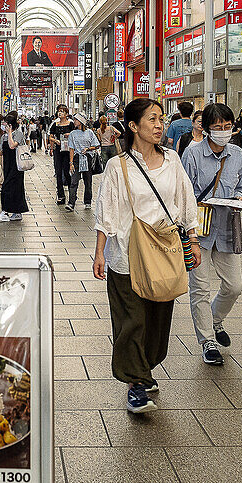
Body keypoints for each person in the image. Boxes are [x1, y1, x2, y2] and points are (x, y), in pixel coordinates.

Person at [92, 97, 201, 413]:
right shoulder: (118, 165)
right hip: (127, 255)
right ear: (133, 126)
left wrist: (192, 238)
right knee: (132, 321)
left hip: (165, 251)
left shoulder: (172, 161)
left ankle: (144, 366)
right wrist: (100, 252)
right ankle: (136, 383)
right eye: (152, 119)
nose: (158, 125)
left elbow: (185, 199)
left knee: (157, 321)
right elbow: (106, 211)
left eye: (161, 119)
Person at [182, 103, 242, 366]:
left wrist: (240, 196)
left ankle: (215, 319)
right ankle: (207, 340)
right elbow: (185, 193)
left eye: (227, 127)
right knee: (199, 286)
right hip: (198, 228)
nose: (223, 131)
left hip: (227, 227)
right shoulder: (193, 154)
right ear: (206, 129)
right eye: (217, 127)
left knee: (234, 285)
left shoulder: (237, 154)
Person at [0, 111, 29, 222]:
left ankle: (5, 211)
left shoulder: (17, 134)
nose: (2, 126)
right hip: (7, 166)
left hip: (17, 165)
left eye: (4, 124)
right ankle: (17, 212)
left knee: (9, 187)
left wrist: (9, 133)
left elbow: (12, 145)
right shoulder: (3, 136)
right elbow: (1, 152)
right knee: (13, 188)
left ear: (10, 125)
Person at [66, 113, 100, 210]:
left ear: (81, 122)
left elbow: (96, 145)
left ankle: (88, 201)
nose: (74, 121)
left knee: (88, 181)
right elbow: (71, 149)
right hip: (76, 158)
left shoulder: (89, 132)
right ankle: (71, 203)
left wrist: (88, 148)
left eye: (76, 120)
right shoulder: (72, 133)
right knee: (74, 181)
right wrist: (71, 163)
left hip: (87, 158)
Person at [48, 105, 74, 205]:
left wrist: (69, 135)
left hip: (68, 150)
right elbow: (50, 136)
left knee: (67, 173)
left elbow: (75, 134)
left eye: (62, 111)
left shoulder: (71, 124)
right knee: (58, 172)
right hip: (58, 150)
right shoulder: (55, 124)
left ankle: (72, 195)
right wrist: (55, 141)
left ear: (66, 114)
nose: (60, 113)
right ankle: (61, 195)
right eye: (59, 111)